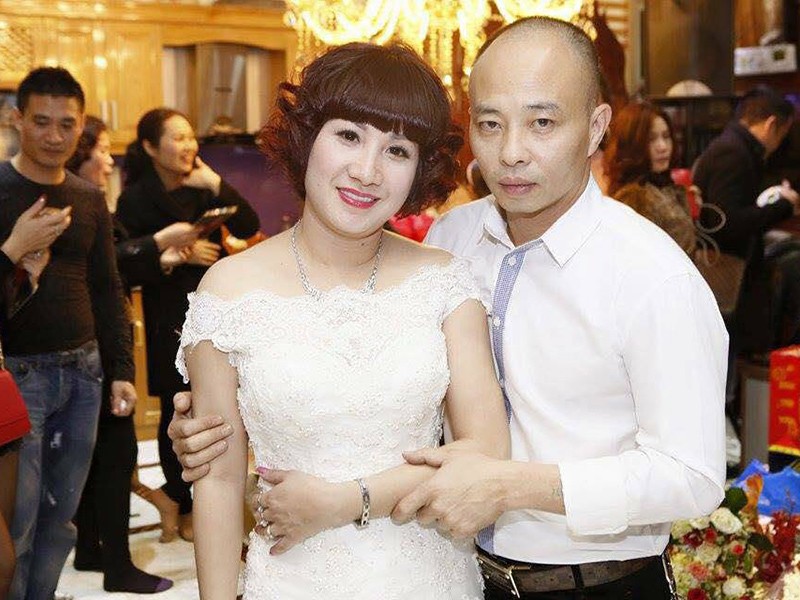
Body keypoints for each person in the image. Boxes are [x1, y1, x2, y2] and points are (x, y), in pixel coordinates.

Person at [169, 17, 728, 599]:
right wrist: (231, 416)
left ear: (595, 128)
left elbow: (691, 476)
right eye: (490, 124)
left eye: (541, 123)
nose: (512, 153)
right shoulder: (453, 240)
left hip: (596, 584)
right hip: (460, 571)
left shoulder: (652, 276)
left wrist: (507, 485)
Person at [178, 42, 508, 599]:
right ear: (307, 138)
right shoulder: (228, 292)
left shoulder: (446, 283)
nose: (367, 171)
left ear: (419, 170)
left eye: (397, 150)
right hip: (291, 581)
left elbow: (486, 453)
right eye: (349, 136)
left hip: (430, 580)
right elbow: (219, 480)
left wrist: (346, 500)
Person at [0, 66, 136, 600]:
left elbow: (107, 287)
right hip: (18, 375)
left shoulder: (88, 196)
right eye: (41, 122)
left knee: (61, 522)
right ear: (17, 120)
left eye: (67, 124)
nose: (55, 136)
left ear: (81, 125)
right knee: (18, 524)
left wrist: (121, 370)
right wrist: (13, 248)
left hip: (84, 372)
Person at [115, 108, 260, 544]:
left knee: (222, 404)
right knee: (176, 407)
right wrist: (174, 257)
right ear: (150, 147)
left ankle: (206, 498)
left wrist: (214, 182)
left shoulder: (202, 188)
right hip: (168, 316)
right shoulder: (135, 199)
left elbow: (249, 224)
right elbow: (124, 262)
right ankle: (180, 499)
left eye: (190, 136)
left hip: (215, 313)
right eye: (177, 138)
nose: (188, 146)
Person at [66, 115, 176, 593]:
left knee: (93, 458)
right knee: (115, 455)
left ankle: (90, 549)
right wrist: (159, 245)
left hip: (87, 346)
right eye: (102, 151)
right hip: (95, 346)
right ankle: (118, 566)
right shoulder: (80, 204)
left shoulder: (83, 202)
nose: (109, 161)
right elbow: (109, 278)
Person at [694, 86, 798, 352]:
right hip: (726, 268)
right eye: (782, 135)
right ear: (772, 125)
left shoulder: (734, 147)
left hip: (731, 266)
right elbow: (728, 222)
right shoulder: (734, 152)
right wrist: (784, 206)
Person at [604, 101, 698, 256]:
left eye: (666, 136)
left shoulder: (662, 183)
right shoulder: (634, 197)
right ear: (632, 145)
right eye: (651, 139)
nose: (663, 146)